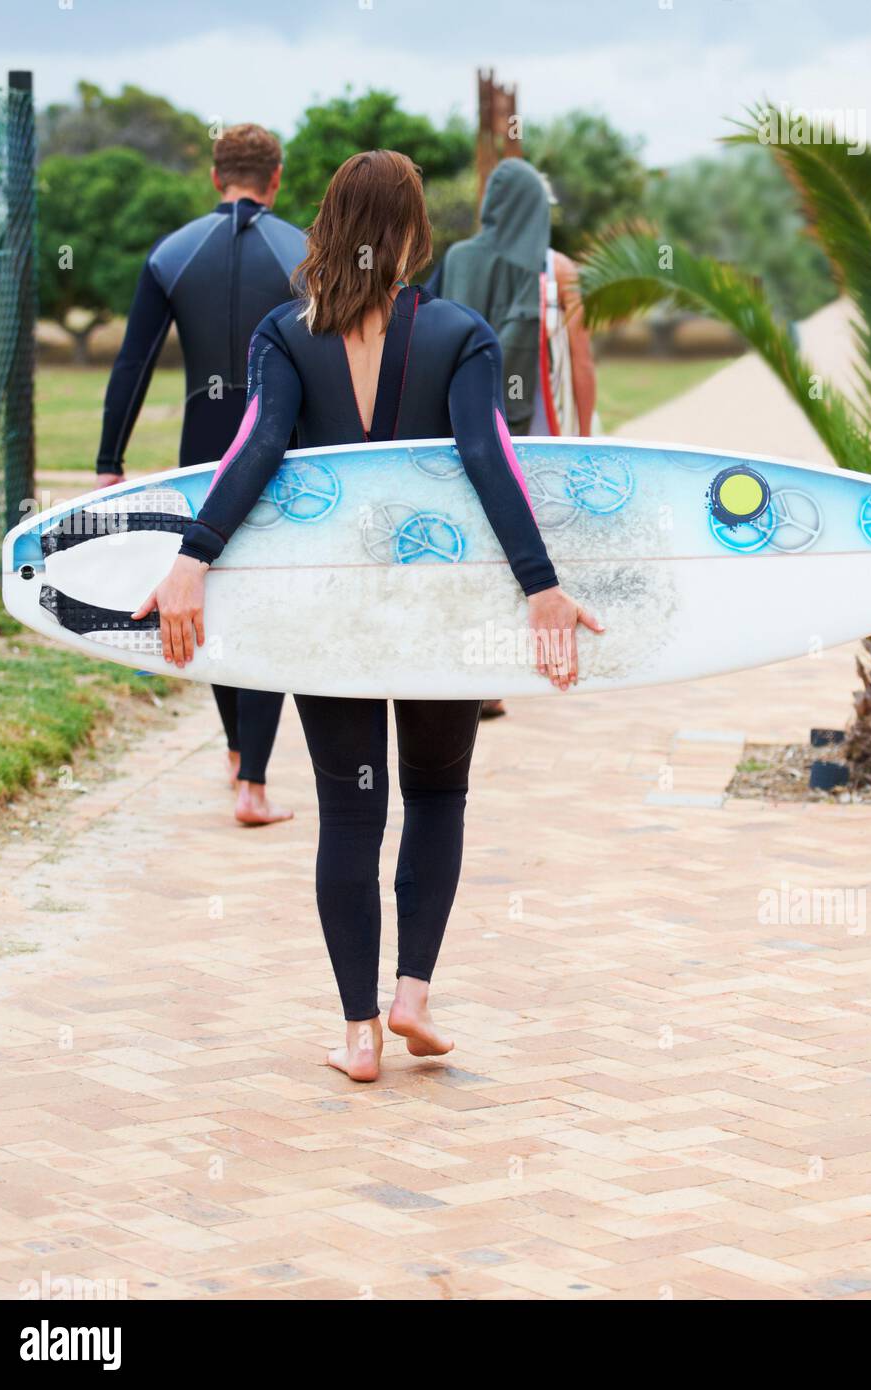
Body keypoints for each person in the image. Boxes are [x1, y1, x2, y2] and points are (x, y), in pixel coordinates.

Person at [133, 151, 603, 1082]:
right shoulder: (460, 333)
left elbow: (256, 447)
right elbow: (487, 459)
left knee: (350, 818)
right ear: (413, 232)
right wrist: (541, 585)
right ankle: (413, 997)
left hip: (332, 620)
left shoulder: (283, 332)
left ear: (327, 227)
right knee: (437, 796)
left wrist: (192, 556)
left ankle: (358, 1035)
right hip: (436, 612)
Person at [95, 123, 306, 826]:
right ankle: (253, 781)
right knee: (270, 599)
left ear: (216, 178)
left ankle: (232, 751)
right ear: (274, 180)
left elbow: (133, 363)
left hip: (202, 449)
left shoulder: (173, 253)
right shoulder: (304, 253)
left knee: (202, 588)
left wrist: (108, 463)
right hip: (281, 451)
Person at [429, 157, 597, 717]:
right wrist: (586, 431)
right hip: (529, 425)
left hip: (457, 418)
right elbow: (580, 361)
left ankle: (471, 675)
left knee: (467, 536)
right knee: (519, 540)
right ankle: (501, 671)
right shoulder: (560, 270)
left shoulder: (457, 258)